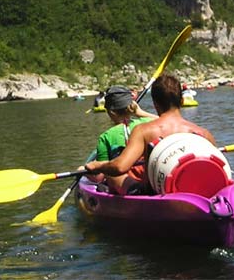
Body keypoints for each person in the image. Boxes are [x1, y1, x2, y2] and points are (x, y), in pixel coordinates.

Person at [81, 74, 216, 195]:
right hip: (196, 189)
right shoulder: (203, 134)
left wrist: (98, 166)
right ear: (181, 101)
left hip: (156, 191)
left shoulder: (143, 131)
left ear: (155, 103)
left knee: (113, 175)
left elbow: (120, 167)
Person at [92, 86, 157, 170]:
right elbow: (164, 121)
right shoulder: (147, 123)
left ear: (111, 112)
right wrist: (140, 113)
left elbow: (99, 175)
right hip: (144, 174)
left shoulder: (106, 137)